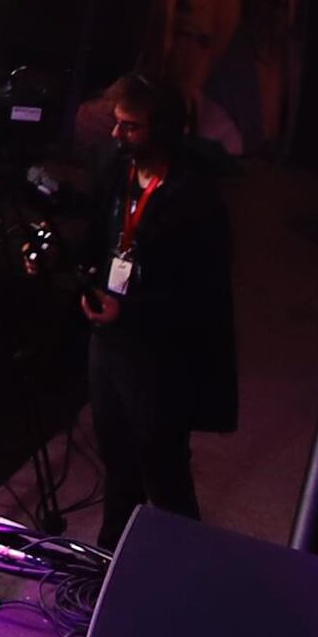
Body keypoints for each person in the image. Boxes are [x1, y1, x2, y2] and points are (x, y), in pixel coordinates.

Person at [82, 71, 238, 541]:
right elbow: (96, 234)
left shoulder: (194, 198)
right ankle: (106, 567)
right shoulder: (117, 167)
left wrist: (130, 312)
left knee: (163, 473)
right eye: (117, 123)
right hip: (110, 345)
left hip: (161, 357)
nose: (117, 134)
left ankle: (184, 577)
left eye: (130, 127)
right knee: (118, 464)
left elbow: (201, 297)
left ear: (164, 129)